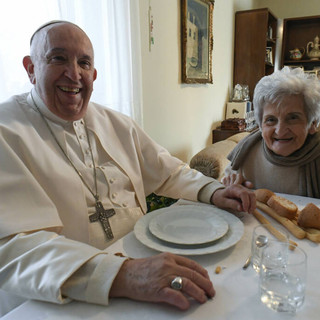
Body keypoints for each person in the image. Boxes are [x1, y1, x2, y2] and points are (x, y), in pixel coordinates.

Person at [0, 21, 256, 316]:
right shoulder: (7, 131)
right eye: (58, 58)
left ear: (94, 75)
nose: (74, 74)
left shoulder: (116, 123)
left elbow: (167, 169)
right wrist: (122, 274)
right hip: (63, 293)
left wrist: (212, 190)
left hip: (145, 263)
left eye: (84, 63)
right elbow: (12, 247)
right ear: (30, 68)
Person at [222, 67, 320, 197]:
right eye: (271, 120)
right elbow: (225, 191)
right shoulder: (245, 153)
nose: (280, 131)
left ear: (312, 124)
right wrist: (230, 188)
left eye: (293, 118)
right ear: (261, 126)